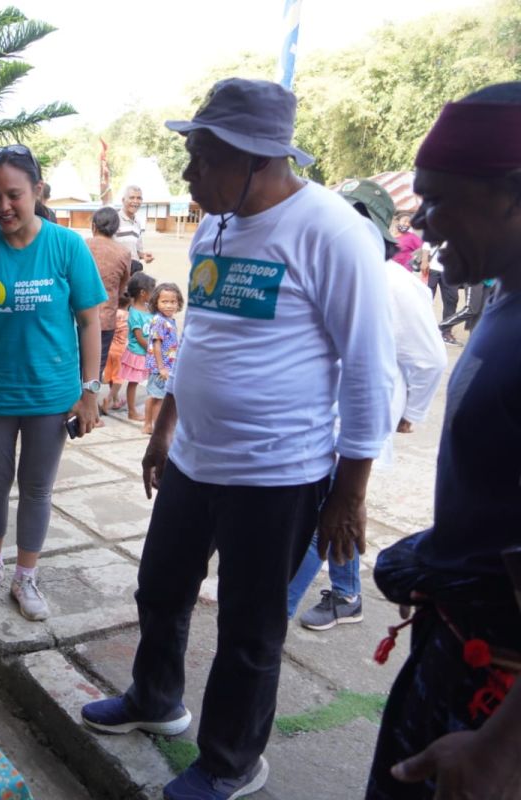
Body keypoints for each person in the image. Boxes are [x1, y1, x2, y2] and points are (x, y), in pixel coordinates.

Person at [80, 79, 394, 800]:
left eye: (199, 159)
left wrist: (349, 493)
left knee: (249, 632)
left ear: (254, 157)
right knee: (160, 587)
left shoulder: (332, 232)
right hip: (195, 462)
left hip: (279, 474)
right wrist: (164, 429)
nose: (187, 176)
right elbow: (201, 340)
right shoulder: (213, 225)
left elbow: (368, 368)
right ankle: (156, 700)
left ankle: (231, 761)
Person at [364, 82, 521, 800]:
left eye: (438, 199)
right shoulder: (504, 299)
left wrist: (497, 749)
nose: (418, 224)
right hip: (456, 646)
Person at [0, 143, 106, 622]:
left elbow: (89, 321)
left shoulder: (67, 246)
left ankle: (25, 575)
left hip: (50, 396)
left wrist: (89, 390)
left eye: (14, 194)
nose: (3, 207)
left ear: (37, 191)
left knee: (37, 488)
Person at [288, 178, 446, 631]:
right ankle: (347, 592)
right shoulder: (313, 264)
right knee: (335, 512)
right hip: (314, 419)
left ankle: (276, 611)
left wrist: (408, 414)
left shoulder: (395, 282)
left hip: (347, 425)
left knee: (320, 521)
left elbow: (429, 358)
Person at [85, 206, 132, 384]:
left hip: (77, 316)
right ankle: (90, 405)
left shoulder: (81, 244)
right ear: (115, 229)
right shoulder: (123, 252)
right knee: (96, 367)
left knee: (75, 364)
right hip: (106, 318)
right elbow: (122, 287)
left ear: (94, 226)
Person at [142, 282, 183, 436]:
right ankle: (154, 426)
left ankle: (149, 424)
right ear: (156, 303)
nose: (169, 305)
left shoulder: (169, 320)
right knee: (157, 397)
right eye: (164, 302)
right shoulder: (159, 321)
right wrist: (161, 367)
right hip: (159, 367)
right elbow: (157, 345)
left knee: (156, 395)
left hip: (166, 366)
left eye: (173, 302)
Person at [118, 273, 155, 422]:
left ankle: (150, 408)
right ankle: (132, 411)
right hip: (138, 353)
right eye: (152, 291)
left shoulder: (148, 309)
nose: (154, 294)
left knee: (151, 380)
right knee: (133, 383)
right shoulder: (134, 313)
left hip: (147, 351)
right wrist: (153, 350)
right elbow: (139, 337)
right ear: (143, 293)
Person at [101, 292, 133, 414]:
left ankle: (116, 400)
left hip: (109, 348)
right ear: (129, 302)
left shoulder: (112, 314)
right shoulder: (129, 316)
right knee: (119, 377)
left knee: (111, 375)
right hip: (121, 350)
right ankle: (108, 399)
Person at [116, 185, 156, 273]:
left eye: (139, 198)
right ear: (123, 200)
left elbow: (136, 250)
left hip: (134, 272)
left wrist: (143, 255)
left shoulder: (137, 223)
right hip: (118, 272)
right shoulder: (114, 219)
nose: (135, 201)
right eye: (132, 197)